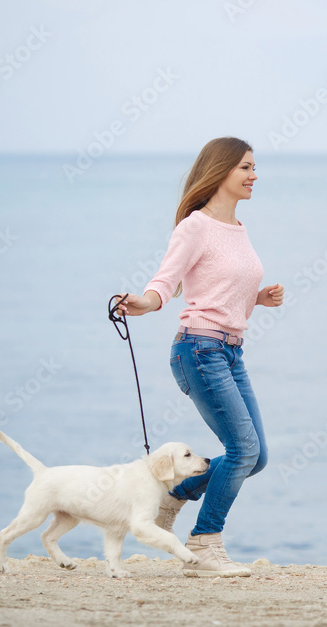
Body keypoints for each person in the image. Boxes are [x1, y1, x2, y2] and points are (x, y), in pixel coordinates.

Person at [116, 136, 284, 577]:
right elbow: (167, 281)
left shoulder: (238, 230)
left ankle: (177, 494)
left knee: (257, 456)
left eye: (254, 167)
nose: (254, 175)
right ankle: (205, 545)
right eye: (246, 167)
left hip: (230, 351)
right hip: (199, 349)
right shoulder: (195, 226)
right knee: (243, 448)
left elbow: (221, 291)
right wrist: (145, 302)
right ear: (221, 171)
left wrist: (257, 299)